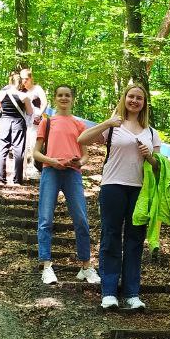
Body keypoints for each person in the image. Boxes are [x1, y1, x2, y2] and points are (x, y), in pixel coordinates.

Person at [78, 82, 161, 312]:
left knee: (135, 240)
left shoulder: (151, 132)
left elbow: (159, 168)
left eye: (139, 98)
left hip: (140, 190)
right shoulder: (114, 126)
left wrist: (149, 156)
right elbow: (82, 139)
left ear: (144, 103)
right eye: (131, 96)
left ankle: (132, 293)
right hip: (113, 186)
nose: (134, 101)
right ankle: (109, 292)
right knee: (111, 236)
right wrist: (107, 122)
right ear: (125, 99)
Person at [33, 86, 100, 287]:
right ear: (55, 98)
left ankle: (85, 266)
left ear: (72, 99)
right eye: (60, 95)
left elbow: (85, 155)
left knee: (81, 220)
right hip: (51, 172)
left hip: (73, 174)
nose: (64, 98)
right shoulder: (47, 122)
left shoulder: (79, 125)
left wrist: (79, 162)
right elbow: (36, 153)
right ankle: (46, 266)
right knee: (45, 219)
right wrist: (52, 161)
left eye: (67, 95)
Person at [0, 71, 32, 186]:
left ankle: (1, 179)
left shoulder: (2, 94)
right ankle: (17, 180)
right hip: (18, 123)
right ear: (20, 83)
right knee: (18, 150)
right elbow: (30, 112)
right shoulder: (24, 96)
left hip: (5, 122)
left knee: (2, 149)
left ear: (10, 82)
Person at [20, 67, 48, 179]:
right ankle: (23, 170)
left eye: (26, 79)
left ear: (31, 78)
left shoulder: (37, 89)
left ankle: (37, 168)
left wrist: (39, 114)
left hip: (36, 122)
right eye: (22, 79)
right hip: (24, 121)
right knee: (24, 145)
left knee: (34, 144)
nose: (24, 81)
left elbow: (44, 102)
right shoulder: (22, 91)